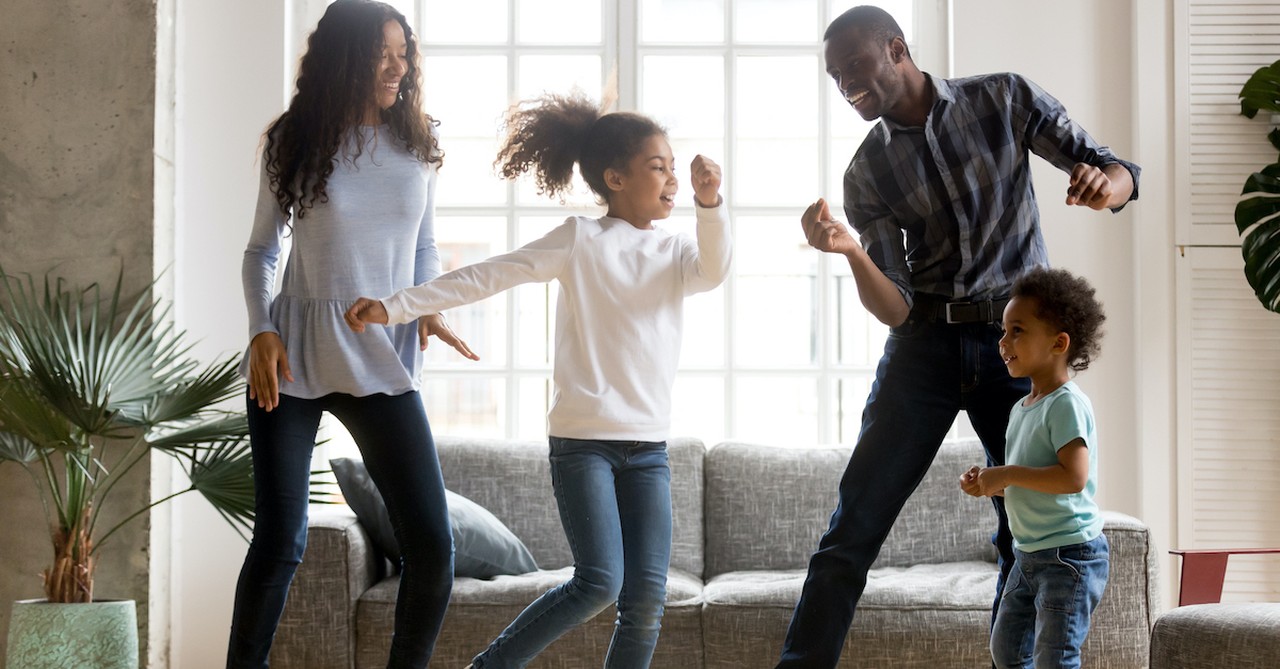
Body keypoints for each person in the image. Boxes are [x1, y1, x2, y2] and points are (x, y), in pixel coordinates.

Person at [778, 6, 1139, 668]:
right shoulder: (868, 174)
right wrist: (852, 252)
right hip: (925, 346)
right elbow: (894, 305)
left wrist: (1102, 187)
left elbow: (1117, 171)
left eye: (855, 65)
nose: (847, 85)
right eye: (836, 77)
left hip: (1016, 343)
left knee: (1023, 531)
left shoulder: (1002, 98)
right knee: (852, 527)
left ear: (896, 48)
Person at [344, 91, 732, 669]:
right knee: (600, 582)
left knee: (647, 599)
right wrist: (397, 306)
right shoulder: (580, 240)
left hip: (649, 448)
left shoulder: (676, 251)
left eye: (675, 168)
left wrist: (710, 203)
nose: (673, 178)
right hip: (583, 445)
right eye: (659, 167)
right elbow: (488, 275)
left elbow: (716, 268)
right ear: (615, 179)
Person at [228, 1, 478, 667]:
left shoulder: (416, 146)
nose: (398, 67)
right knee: (281, 539)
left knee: (432, 544)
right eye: (382, 54)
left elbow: (424, 247)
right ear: (346, 57)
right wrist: (259, 330)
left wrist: (424, 305)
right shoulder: (295, 140)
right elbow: (261, 251)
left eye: (404, 53)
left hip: (379, 356)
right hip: (293, 357)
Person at [960, 266, 1109, 669]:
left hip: (1069, 556)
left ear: (1059, 342)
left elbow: (1072, 478)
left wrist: (1005, 474)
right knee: (1006, 651)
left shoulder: (1066, 404)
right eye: (1004, 332)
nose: (1003, 342)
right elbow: (1032, 482)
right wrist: (989, 484)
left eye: (1017, 331)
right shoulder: (1021, 409)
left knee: (1054, 658)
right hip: (1028, 554)